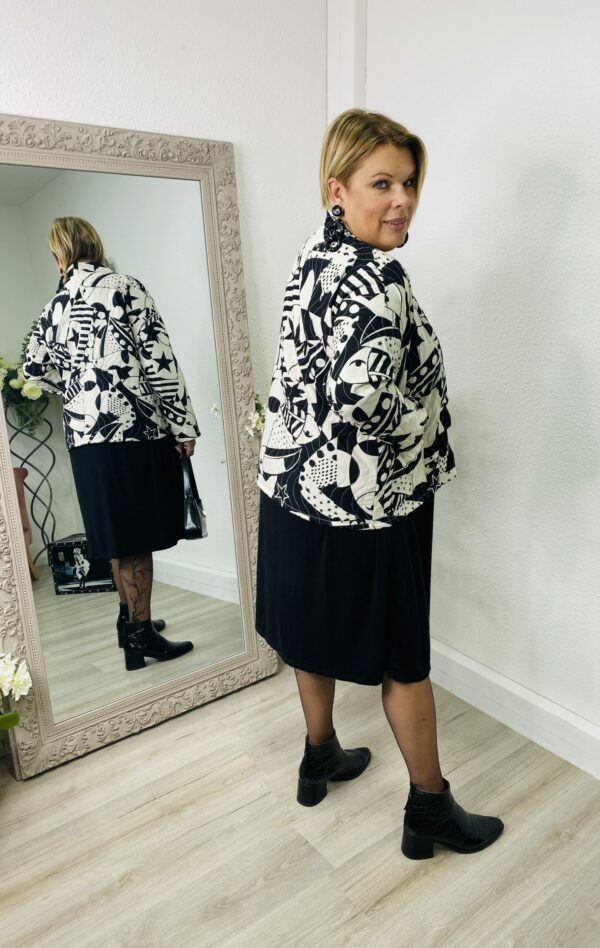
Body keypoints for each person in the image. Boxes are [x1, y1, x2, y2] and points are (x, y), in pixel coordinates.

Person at [255, 109, 504, 859]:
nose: (402, 201)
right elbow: (362, 398)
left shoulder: (314, 257)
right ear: (338, 189)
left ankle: (320, 754)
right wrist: (427, 421)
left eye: (410, 183)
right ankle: (430, 808)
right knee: (402, 655)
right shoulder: (380, 276)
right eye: (382, 184)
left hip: (293, 488)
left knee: (311, 629)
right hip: (370, 502)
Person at [23, 216, 199, 672]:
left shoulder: (54, 305)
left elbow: (33, 369)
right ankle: (141, 637)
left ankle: (131, 623)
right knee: (137, 539)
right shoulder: (124, 286)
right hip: (132, 431)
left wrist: (78, 387)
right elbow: (159, 361)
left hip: (84, 440)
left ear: (60, 255)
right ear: (93, 245)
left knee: (120, 536)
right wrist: (183, 425)